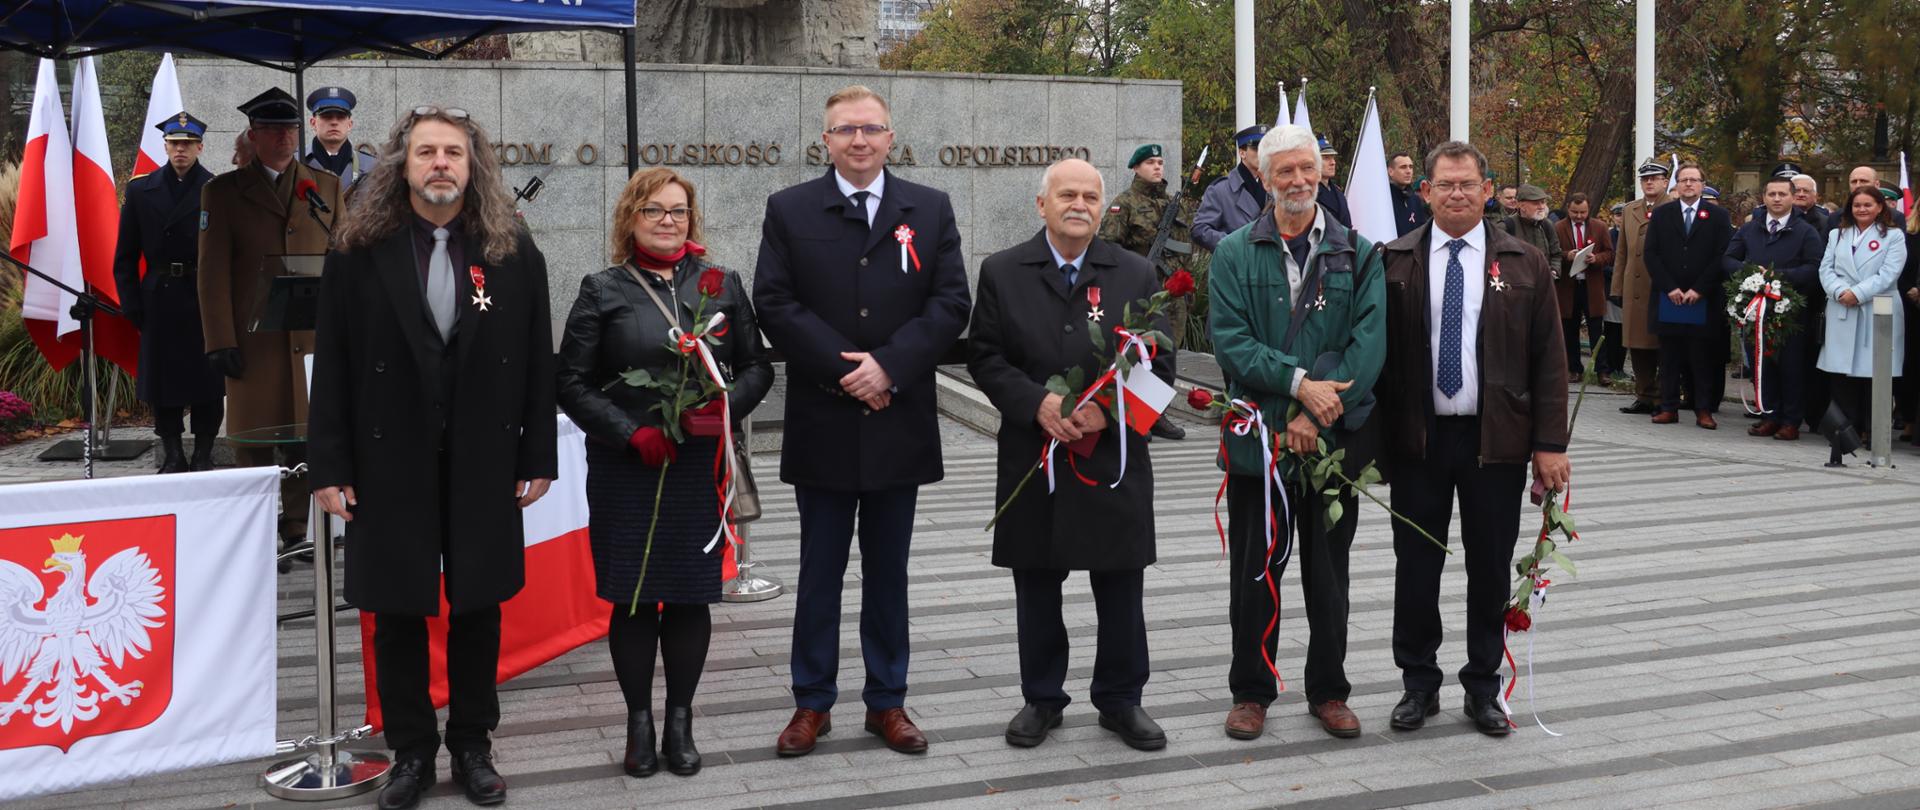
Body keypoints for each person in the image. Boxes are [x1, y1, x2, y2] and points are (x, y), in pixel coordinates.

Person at [308, 106, 557, 810]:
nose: (440, 163)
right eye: (426, 152)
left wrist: (537, 453)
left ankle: (472, 744)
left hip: (483, 456)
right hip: (388, 458)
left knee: (478, 606)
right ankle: (412, 752)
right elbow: (334, 363)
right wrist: (329, 465)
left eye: (453, 152)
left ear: (473, 166)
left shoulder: (512, 249)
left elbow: (537, 358)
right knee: (397, 611)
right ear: (402, 164)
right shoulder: (358, 249)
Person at [753, 85, 971, 758]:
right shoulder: (790, 208)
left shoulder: (928, 208)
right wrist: (849, 371)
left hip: (896, 422)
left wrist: (890, 367)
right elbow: (774, 301)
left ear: (889, 137)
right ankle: (811, 703)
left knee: (888, 573)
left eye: (871, 128)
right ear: (826, 140)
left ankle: (887, 702)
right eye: (845, 129)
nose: (859, 139)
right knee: (819, 572)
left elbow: (950, 302)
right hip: (824, 418)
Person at [557, 167, 773, 779]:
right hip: (627, 466)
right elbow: (570, 380)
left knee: (687, 595)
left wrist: (721, 409)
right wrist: (630, 433)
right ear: (630, 218)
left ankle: (680, 720)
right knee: (632, 598)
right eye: (653, 210)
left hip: (696, 467)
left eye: (678, 210)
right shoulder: (602, 289)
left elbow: (757, 367)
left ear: (691, 219)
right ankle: (638, 723)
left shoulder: (720, 284)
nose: (667, 221)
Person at [967, 158, 1173, 752]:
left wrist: (1109, 412)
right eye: (1066, 195)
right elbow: (984, 356)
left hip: (1112, 458)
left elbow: (1162, 365)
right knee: (1036, 582)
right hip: (1035, 453)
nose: (1078, 204)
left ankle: (1121, 699)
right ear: (1042, 204)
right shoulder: (1002, 271)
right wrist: (1034, 402)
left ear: (1102, 208)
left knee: (1120, 583)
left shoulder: (1136, 272)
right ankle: (1041, 697)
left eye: (1089, 196)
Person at [1377, 140, 1569, 737]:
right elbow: (1375, 356)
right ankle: (1418, 683)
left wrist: (1551, 444)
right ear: (1425, 192)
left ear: (1487, 191)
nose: (1457, 194)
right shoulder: (1394, 260)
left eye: (1468, 184)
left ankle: (1483, 686)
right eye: (1445, 184)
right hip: (1420, 440)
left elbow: (1550, 360)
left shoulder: (1524, 262)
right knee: (1416, 566)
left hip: (1497, 440)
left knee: (1489, 567)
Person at [1207, 124, 1385, 742]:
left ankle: (1329, 691)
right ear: (1263, 177)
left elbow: (1368, 347)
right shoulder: (1233, 253)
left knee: (1329, 577)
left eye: (1307, 168)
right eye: (1285, 170)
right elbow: (1230, 343)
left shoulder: (1358, 252)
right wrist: (1299, 387)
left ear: (1321, 172)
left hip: (1332, 443)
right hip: (1261, 442)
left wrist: (1316, 410)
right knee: (1255, 574)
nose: (1299, 180)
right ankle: (1251, 692)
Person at [197, 87, 345, 549]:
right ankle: (258, 524)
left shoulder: (324, 187)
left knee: (307, 433)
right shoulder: (223, 192)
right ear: (253, 134)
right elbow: (211, 273)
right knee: (253, 437)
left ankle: (298, 525)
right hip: (253, 337)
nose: (284, 137)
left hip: (311, 334)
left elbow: (343, 259)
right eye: (272, 129)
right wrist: (220, 339)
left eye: (290, 128)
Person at [112, 111, 223, 474]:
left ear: (200, 147)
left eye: (187, 144)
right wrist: (131, 302)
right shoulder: (141, 190)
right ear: (164, 146)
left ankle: (203, 453)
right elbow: (125, 255)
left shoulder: (216, 188)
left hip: (202, 295)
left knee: (208, 380)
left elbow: (227, 252)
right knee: (164, 381)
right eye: (174, 143)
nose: (180, 150)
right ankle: (173, 452)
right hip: (159, 296)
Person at [1099, 143, 1193, 441]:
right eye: (1151, 162)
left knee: (1167, 354)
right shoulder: (1123, 204)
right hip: (1141, 295)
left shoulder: (1173, 205)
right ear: (1136, 167)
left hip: (1172, 296)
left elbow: (1185, 247)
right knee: (1140, 354)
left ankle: (1155, 413)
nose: (1157, 167)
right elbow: (1108, 248)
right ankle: (1133, 415)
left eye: (1160, 162)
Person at [1723, 175, 1824, 441]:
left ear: (1792, 197)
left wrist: (1778, 277)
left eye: (1782, 194)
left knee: (1791, 367)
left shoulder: (1805, 231)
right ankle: (1769, 415)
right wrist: (1749, 273)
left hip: (1789, 312)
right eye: (1772, 194)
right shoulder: (1750, 229)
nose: (1777, 199)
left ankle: (1790, 420)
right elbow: (1729, 259)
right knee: (1762, 364)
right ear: (1764, 198)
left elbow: (1815, 268)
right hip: (1756, 310)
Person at [1644, 162, 1734, 428]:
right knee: (1669, 357)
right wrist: (1669, 287)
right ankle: (1669, 407)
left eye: (1694, 180)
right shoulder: (1662, 214)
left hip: (1703, 298)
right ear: (1677, 185)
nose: (1689, 184)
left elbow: (1722, 255)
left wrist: (1700, 288)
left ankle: (1703, 409)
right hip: (1669, 296)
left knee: (1701, 358)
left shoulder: (1718, 216)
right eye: (1684, 180)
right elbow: (1651, 254)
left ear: (1702, 185)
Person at [1816, 187, 1908, 438]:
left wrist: (1858, 293)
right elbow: (1825, 269)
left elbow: (1889, 273)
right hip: (1842, 307)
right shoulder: (1837, 234)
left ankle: (1872, 431)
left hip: (1876, 308)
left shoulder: (1894, 236)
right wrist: (1839, 291)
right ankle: (1845, 432)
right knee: (1842, 375)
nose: (1862, 209)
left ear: (1880, 207)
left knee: (1874, 373)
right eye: (1857, 205)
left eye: (1868, 205)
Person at [1612, 159, 1671, 414]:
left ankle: (1663, 396)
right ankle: (1644, 394)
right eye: (1645, 179)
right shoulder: (1630, 209)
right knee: (1636, 344)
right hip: (1634, 287)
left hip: (1661, 287)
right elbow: (1622, 252)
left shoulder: (1673, 207)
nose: (1649, 182)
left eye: (1654, 178)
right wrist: (1617, 287)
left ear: (1665, 182)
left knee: (1662, 345)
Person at [1554, 193, 1613, 379]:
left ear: (1588, 210)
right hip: (1568, 287)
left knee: (1596, 329)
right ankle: (1574, 369)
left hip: (1592, 286)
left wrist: (1596, 259)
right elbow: (1552, 252)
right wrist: (1567, 255)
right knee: (1569, 329)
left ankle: (1602, 370)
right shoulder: (1558, 227)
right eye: (1575, 212)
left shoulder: (1599, 227)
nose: (1579, 216)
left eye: (1583, 212)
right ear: (1568, 209)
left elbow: (1610, 253)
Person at [1194, 125, 1271, 251]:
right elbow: (1199, 229)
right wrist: (1233, 244)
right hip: (1236, 260)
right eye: (1256, 148)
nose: (1262, 153)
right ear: (1242, 153)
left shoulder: (1274, 188)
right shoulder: (1220, 190)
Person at [303, 86, 378, 190]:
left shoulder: (372, 166)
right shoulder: (295, 161)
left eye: (341, 117)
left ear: (350, 124)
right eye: (327, 116)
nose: (334, 122)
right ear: (313, 123)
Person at [1389, 151, 1431, 236]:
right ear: (1390, 171)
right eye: (1403, 167)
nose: (1408, 171)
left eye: (1410, 167)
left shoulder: (1415, 200)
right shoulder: (1385, 200)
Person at [1316, 137, 1353, 228]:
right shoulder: (1310, 194)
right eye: (1326, 158)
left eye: (1333, 158)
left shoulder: (1337, 192)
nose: (1333, 162)